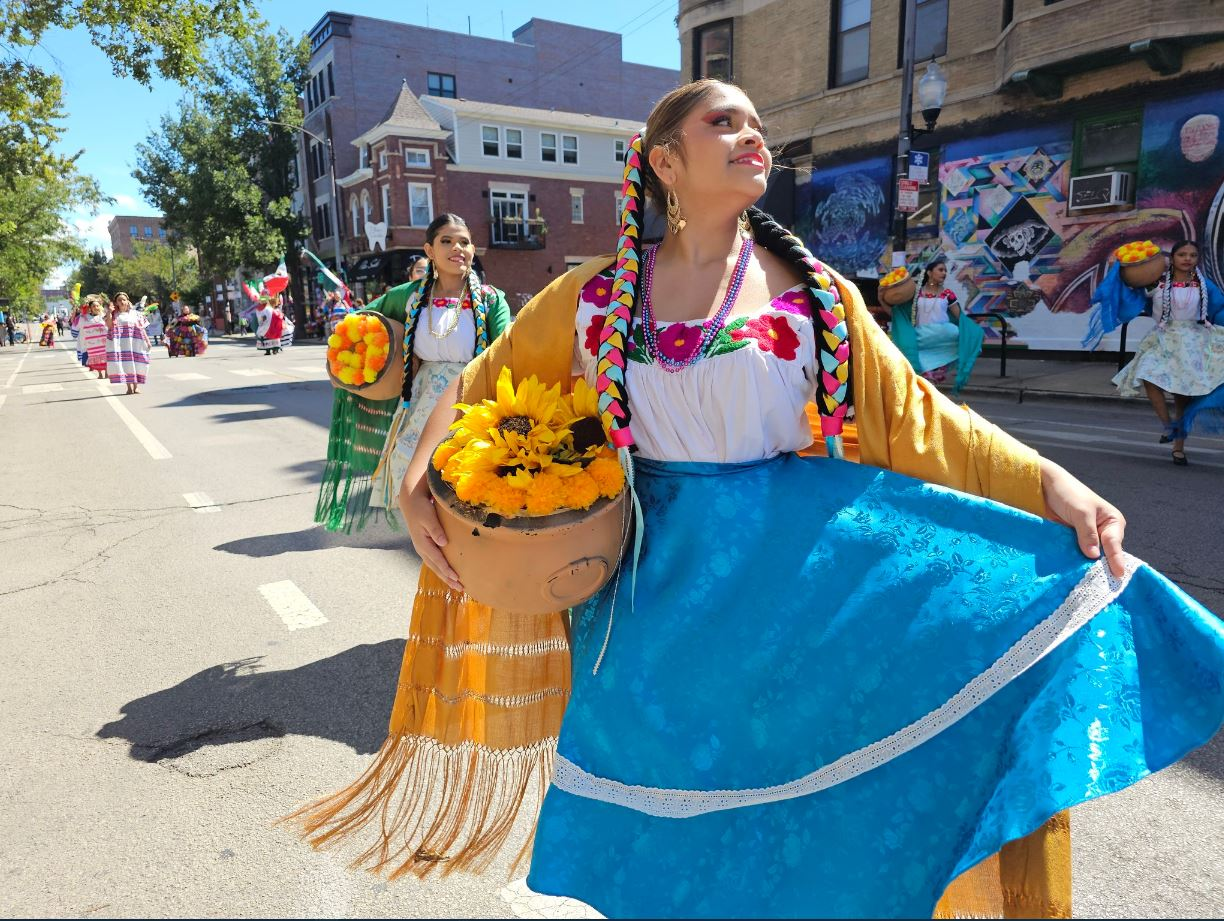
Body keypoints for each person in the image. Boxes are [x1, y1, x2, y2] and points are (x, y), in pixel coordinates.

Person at [288, 80, 1224, 919]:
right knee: (669, 841)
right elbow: (482, 383)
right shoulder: (596, 299)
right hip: (647, 609)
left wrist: (1050, 481)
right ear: (664, 162)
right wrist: (418, 480)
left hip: (796, 597)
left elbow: (927, 422)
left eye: (757, 125)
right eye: (722, 121)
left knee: (800, 829)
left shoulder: (816, 297)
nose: (752, 136)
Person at [314, 214, 512, 533]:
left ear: (473, 250)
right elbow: (361, 321)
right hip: (419, 405)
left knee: (463, 489)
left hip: (469, 403)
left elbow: (508, 349)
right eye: (446, 241)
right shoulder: (409, 296)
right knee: (420, 490)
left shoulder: (490, 299)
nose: (457, 248)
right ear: (429, 250)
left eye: (464, 241)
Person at [1112, 239, 1224, 465]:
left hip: (1193, 341)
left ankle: (1178, 448)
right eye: (1182, 254)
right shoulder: (1156, 282)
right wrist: (1122, 271)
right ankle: (1168, 425)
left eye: (1192, 255)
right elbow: (1130, 291)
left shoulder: (1203, 284)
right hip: (1163, 338)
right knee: (1147, 376)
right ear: (1172, 258)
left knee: (1183, 396)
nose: (1187, 259)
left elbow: (1219, 307)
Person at [886, 254, 984, 390]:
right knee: (916, 360)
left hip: (944, 336)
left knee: (963, 341)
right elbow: (898, 312)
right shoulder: (915, 294)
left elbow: (960, 317)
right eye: (940, 270)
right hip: (923, 337)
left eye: (945, 270)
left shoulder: (948, 294)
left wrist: (973, 331)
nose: (944, 273)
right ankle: (929, 383)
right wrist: (882, 297)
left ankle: (934, 380)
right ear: (929, 273)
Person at [106, 292, 151, 395]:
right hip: (121, 344)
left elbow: (142, 328)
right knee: (125, 365)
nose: (122, 302)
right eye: (119, 300)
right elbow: (109, 326)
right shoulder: (113, 314)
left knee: (136, 363)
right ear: (116, 303)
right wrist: (109, 312)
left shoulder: (135, 313)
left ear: (127, 301)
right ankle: (129, 387)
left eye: (124, 299)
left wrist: (147, 341)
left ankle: (136, 387)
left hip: (135, 342)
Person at [77, 298, 109, 378]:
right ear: (90, 308)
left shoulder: (104, 316)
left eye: (97, 305)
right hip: (92, 343)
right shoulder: (85, 318)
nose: (96, 307)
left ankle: (107, 372)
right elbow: (82, 327)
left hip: (104, 342)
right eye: (94, 306)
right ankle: (100, 373)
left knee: (106, 356)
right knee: (95, 357)